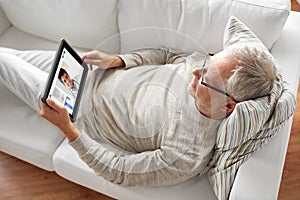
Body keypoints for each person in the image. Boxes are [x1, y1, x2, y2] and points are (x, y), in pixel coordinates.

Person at [0, 45, 277, 187]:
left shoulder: (186, 154)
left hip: (78, 107)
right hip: (89, 72)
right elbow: (168, 54)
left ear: (228, 106)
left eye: (207, 77)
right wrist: (119, 60)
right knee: (8, 55)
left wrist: (68, 128)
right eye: (207, 62)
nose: (195, 71)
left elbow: (119, 171)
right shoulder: (205, 67)